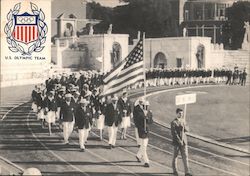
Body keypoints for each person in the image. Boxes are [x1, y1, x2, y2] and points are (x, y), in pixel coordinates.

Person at [171, 108, 192, 176]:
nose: (181, 115)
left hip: (184, 142)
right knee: (175, 156)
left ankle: (187, 172)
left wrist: (184, 126)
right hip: (177, 142)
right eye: (180, 113)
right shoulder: (173, 122)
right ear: (176, 113)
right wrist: (179, 140)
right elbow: (174, 133)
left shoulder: (183, 121)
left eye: (182, 114)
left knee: (185, 156)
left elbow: (188, 130)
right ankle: (175, 170)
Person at [133, 97, 150, 168]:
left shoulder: (148, 112)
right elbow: (136, 120)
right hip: (141, 130)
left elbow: (151, 121)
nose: (145, 106)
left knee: (144, 145)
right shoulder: (138, 111)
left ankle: (138, 155)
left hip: (147, 130)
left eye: (146, 105)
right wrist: (140, 127)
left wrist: (147, 118)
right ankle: (146, 161)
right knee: (144, 147)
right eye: (141, 103)